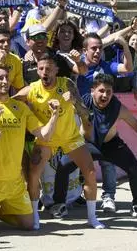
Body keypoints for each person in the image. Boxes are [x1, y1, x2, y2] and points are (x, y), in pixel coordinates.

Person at [15, 51, 104, 230]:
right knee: (33, 175)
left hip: (70, 137)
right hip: (46, 140)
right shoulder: (31, 89)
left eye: (48, 68)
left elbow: (85, 113)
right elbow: (10, 103)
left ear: (56, 70)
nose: (44, 72)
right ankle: (35, 217)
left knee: (91, 173)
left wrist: (74, 102)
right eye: (40, 69)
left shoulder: (67, 84)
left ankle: (92, 218)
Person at [0, 65, 60, 233]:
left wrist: (54, 115)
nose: (5, 81)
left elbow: (44, 135)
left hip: (15, 181)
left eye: (7, 77)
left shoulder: (20, 108)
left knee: (28, 225)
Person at [83, 74, 137, 218]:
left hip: (111, 145)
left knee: (134, 167)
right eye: (101, 91)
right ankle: (59, 203)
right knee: (64, 164)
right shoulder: (83, 102)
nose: (105, 95)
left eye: (109, 92)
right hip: (87, 144)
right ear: (92, 90)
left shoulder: (118, 108)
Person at [76, 33, 133, 97]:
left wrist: (125, 45)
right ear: (84, 51)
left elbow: (128, 69)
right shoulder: (75, 66)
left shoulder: (107, 66)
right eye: (94, 48)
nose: (98, 51)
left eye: (100, 48)